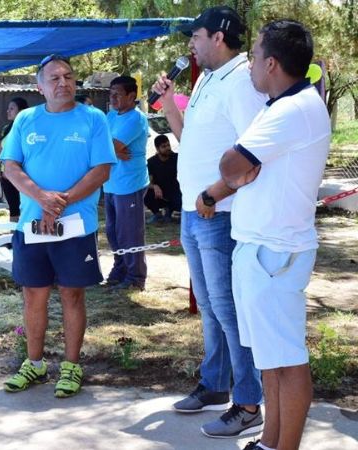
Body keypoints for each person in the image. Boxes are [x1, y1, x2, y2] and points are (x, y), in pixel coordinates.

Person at [212, 20, 330, 450]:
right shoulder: (283, 105)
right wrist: (240, 172)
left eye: (256, 56)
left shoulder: (291, 111)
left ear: (273, 63)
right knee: (272, 361)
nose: (250, 66)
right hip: (265, 251)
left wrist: (237, 173)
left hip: (274, 254)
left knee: (288, 360)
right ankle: (271, 442)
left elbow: (230, 165)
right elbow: (239, 168)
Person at [151, 5, 266, 438]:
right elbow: (187, 137)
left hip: (218, 213)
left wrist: (214, 194)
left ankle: (248, 402)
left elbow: (251, 157)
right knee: (210, 309)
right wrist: (166, 102)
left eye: (195, 35)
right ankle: (215, 385)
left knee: (228, 310)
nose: (190, 43)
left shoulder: (240, 82)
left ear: (218, 36)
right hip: (194, 210)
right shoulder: (207, 79)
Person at [0, 54, 115, 398]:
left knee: (71, 294)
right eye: (54, 78)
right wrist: (41, 198)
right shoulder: (25, 119)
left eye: (68, 76)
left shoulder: (93, 119)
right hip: (31, 225)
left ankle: (71, 366)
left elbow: (101, 171)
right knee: (33, 294)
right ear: (39, 86)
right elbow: (10, 166)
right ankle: (33, 364)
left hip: (76, 226)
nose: (63, 82)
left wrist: (58, 203)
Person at [103, 75, 150, 291]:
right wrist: (113, 151)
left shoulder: (136, 118)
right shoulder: (111, 116)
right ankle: (120, 268)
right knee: (113, 231)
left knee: (129, 232)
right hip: (110, 183)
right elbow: (98, 141)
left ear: (132, 96)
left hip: (130, 183)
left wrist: (111, 149)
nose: (112, 98)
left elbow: (112, 144)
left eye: (117, 94)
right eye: (110, 93)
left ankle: (135, 277)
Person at [0, 97, 28, 223]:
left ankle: (25, 236)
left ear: (21, 111)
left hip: (20, 175)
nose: (8, 111)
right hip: (5, 176)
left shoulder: (26, 129)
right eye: (8, 108)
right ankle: (13, 238)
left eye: (12, 108)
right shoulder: (6, 128)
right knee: (13, 208)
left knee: (25, 207)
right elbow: (1, 150)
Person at [144, 134, 182, 224]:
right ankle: (157, 215)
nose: (167, 148)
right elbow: (147, 182)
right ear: (157, 149)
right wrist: (155, 186)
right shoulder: (151, 162)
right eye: (164, 146)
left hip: (176, 191)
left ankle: (170, 212)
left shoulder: (177, 158)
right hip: (160, 194)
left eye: (168, 145)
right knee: (146, 193)